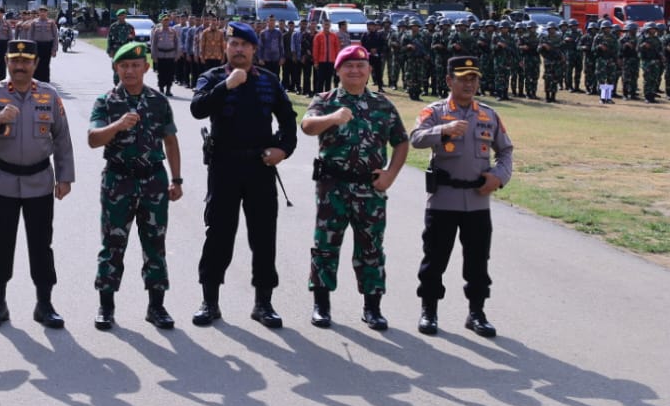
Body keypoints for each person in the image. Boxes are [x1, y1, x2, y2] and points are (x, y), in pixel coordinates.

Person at [190, 22, 298, 327]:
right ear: (226, 47)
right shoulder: (212, 78)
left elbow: (288, 120)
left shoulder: (269, 80)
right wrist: (227, 85)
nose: (239, 49)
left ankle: (263, 303)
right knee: (219, 234)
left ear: (254, 49)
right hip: (224, 167)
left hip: (260, 169)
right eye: (233, 44)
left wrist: (283, 150)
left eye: (244, 45)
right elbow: (197, 109)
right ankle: (209, 302)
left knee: (264, 236)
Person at [298, 44, 410, 330]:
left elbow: (401, 141)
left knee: (371, 247)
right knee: (325, 246)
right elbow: (307, 126)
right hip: (332, 186)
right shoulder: (325, 100)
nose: (355, 70)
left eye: (361, 66)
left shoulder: (382, 105)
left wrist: (390, 175)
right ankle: (321, 305)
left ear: (369, 71)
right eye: (348, 65)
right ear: (338, 71)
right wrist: (332, 118)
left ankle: (372, 308)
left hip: (370, 189)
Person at [408, 56, 514, 337]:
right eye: (463, 78)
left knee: (478, 261)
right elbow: (416, 138)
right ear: (449, 81)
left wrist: (499, 177)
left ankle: (476, 313)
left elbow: (505, 151)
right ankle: (429, 311)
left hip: (478, 201)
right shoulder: (436, 111)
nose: (469, 84)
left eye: (473, 79)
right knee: (435, 259)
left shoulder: (488, 115)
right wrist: (442, 130)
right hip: (444, 199)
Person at [0, 39, 75, 329]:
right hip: (3, 182)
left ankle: (44, 304)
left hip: (40, 182)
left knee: (41, 245)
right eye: (15, 61)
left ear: (35, 64)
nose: (20, 66)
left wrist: (65, 176)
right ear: (7, 62)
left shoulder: (49, 95)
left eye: (26, 61)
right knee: (1, 245)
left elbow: (62, 138)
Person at [89, 42, 184, 330]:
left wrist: (177, 179)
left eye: (135, 65)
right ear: (116, 68)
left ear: (146, 67)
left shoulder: (158, 101)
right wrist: (117, 125)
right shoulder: (106, 101)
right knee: (113, 244)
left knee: (155, 244)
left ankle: (156, 306)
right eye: (124, 66)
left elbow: (170, 141)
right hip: (118, 180)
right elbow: (93, 139)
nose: (129, 70)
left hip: (154, 180)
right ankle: (106, 307)